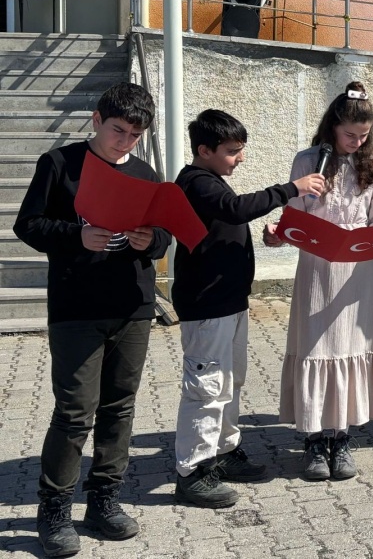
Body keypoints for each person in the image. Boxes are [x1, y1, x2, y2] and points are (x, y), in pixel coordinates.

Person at [13, 82, 170, 557]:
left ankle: (104, 502)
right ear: (97, 120)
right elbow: (28, 224)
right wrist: (76, 236)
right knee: (74, 412)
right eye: (118, 130)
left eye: (134, 135)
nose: (125, 141)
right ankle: (54, 511)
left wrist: (152, 242)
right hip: (77, 308)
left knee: (120, 407)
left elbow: (164, 234)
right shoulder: (59, 164)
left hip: (133, 305)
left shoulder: (146, 172)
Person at [171, 109, 326, 507]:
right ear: (204, 150)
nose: (240, 158)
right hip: (207, 308)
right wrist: (291, 188)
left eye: (241, 150)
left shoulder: (212, 181)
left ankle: (223, 452)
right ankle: (193, 471)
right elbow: (237, 208)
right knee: (206, 389)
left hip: (230, 303)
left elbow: (230, 217)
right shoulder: (194, 183)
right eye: (232, 151)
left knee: (230, 382)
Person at [263, 82, 373, 480]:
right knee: (315, 347)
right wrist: (276, 234)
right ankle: (313, 439)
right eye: (349, 135)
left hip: (359, 274)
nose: (356, 142)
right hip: (316, 268)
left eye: (363, 136)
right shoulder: (306, 160)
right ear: (332, 127)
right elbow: (291, 216)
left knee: (350, 346)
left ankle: (342, 437)